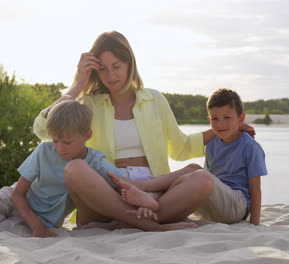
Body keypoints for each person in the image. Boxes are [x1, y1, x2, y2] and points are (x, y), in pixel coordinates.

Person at [33, 31, 254, 225]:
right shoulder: (88, 104)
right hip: (106, 189)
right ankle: (143, 220)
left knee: (202, 177)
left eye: (117, 66)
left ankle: (128, 220)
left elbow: (181, 148)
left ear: (130, 64)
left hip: (152, 192)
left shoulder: (154, 100)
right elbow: (43, 130)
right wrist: (78, 85)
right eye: (103, 69)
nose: (111, 76)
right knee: (76, 169)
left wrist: (225, 128)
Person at [0, 100, 174, 240]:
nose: (59, 148)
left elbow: (126, 185)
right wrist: (36, 228)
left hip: (43, 219)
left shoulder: (95, 162)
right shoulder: (44, 151)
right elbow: (17, 194)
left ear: (87, 135)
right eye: (55, 140)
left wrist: (144, 202)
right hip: (12, 199)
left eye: (66, 142)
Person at [109, 88, 267, 225]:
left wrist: (254, 223)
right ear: (209, 119)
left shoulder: (250, 147)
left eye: (227, 118)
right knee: (194, 168)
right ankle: (148, 192)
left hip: (236, 206)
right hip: (213, 206)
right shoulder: (212, 144)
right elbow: (206, 180)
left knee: (202, 175)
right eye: (215, 119)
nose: (220, 124)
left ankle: (149, 194)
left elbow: (255, 189)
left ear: (241, 119)